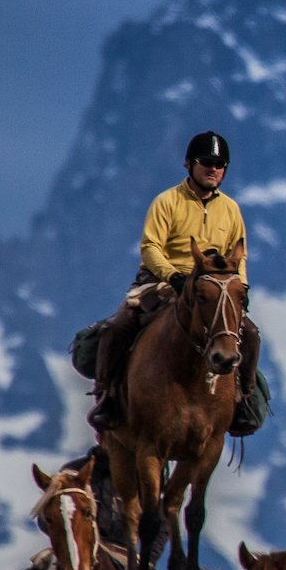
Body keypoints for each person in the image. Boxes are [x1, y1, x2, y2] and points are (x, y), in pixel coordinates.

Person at [89, 131, 260, 431]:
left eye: (220, 164)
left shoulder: (231, 209)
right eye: (207, 162)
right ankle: (107, 397)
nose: (214, 169)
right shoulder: (167, 201)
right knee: (117, 327)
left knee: (251, 334)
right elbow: (150, 247)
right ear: (189, 165)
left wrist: (240, 288)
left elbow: (238, 256)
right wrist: (174, 276)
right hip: (163, 281)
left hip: (214, 288)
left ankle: (242, 401)